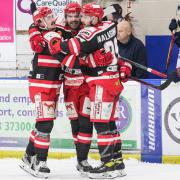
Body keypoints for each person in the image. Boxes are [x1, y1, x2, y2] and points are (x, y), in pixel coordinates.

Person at [46, 2, 132, 179]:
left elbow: (72, 47)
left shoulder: (88, 32)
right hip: (112, 81)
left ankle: (107, 165)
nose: (81, 19)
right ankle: (117, 162)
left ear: (94, 18)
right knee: (110, 124)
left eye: (85, 16)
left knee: (101, 125)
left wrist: (55, 43)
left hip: (101, 83)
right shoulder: (109, 26)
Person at [19, 6, 70, 178]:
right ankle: (41, 162)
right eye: (48, 17)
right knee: (46, 124)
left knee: (44, 124)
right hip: (41, 84)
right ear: (40, 21)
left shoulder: (58, 30)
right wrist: (37, 27)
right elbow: (39, 46)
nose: (53, 18)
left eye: (52, 15)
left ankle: (27, 156)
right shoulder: (36, 32)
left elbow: (73, 41)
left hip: (54, 84)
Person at [57, 2, 94, 174]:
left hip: (86, 83)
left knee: (86, 122)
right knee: (75, 124)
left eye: (76, 16)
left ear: (81, 16)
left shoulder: (87, 29)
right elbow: (55, 51)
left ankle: (83, 160)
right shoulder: (59, 30)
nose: (73, 19)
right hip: (69, 85)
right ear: (65, 16)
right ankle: (81, 159)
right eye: (70, 16)